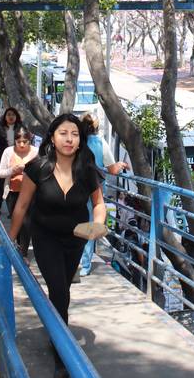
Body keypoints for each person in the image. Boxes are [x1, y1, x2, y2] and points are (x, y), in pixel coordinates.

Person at [8, 114, 106, 327]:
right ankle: (62, 347)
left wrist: (97, 224)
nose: (69, 139)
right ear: (52, 138)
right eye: (63, 133)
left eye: (74, 134)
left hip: (76, 239)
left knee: (63, 289)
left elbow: (98, 204)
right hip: (45, 237)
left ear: (80, 140)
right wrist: (9, 240)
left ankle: (58, 331)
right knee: (58, 289)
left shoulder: (87, 170)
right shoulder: (37, 167)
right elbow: (22, 205)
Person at [78, 113, 128, 277]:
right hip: (95, 189)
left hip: (75, 187)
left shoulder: (76, 142)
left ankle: (74, 259)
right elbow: (112, 169)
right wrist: (120, 165)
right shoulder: (100, 142)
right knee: (91, 223)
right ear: (97, 127)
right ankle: (85, 264)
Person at [0, 125, 38, 254]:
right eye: (18, 142)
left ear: (29, 140)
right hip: (12, 192)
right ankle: (18, 247)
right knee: (17, 222)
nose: (21, 144)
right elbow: (1, 173)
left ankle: (23, 251)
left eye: (24, 142)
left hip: (31, 193)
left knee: (27, 223)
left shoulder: (36, 152)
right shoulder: (8, 152)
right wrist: (13, 170)